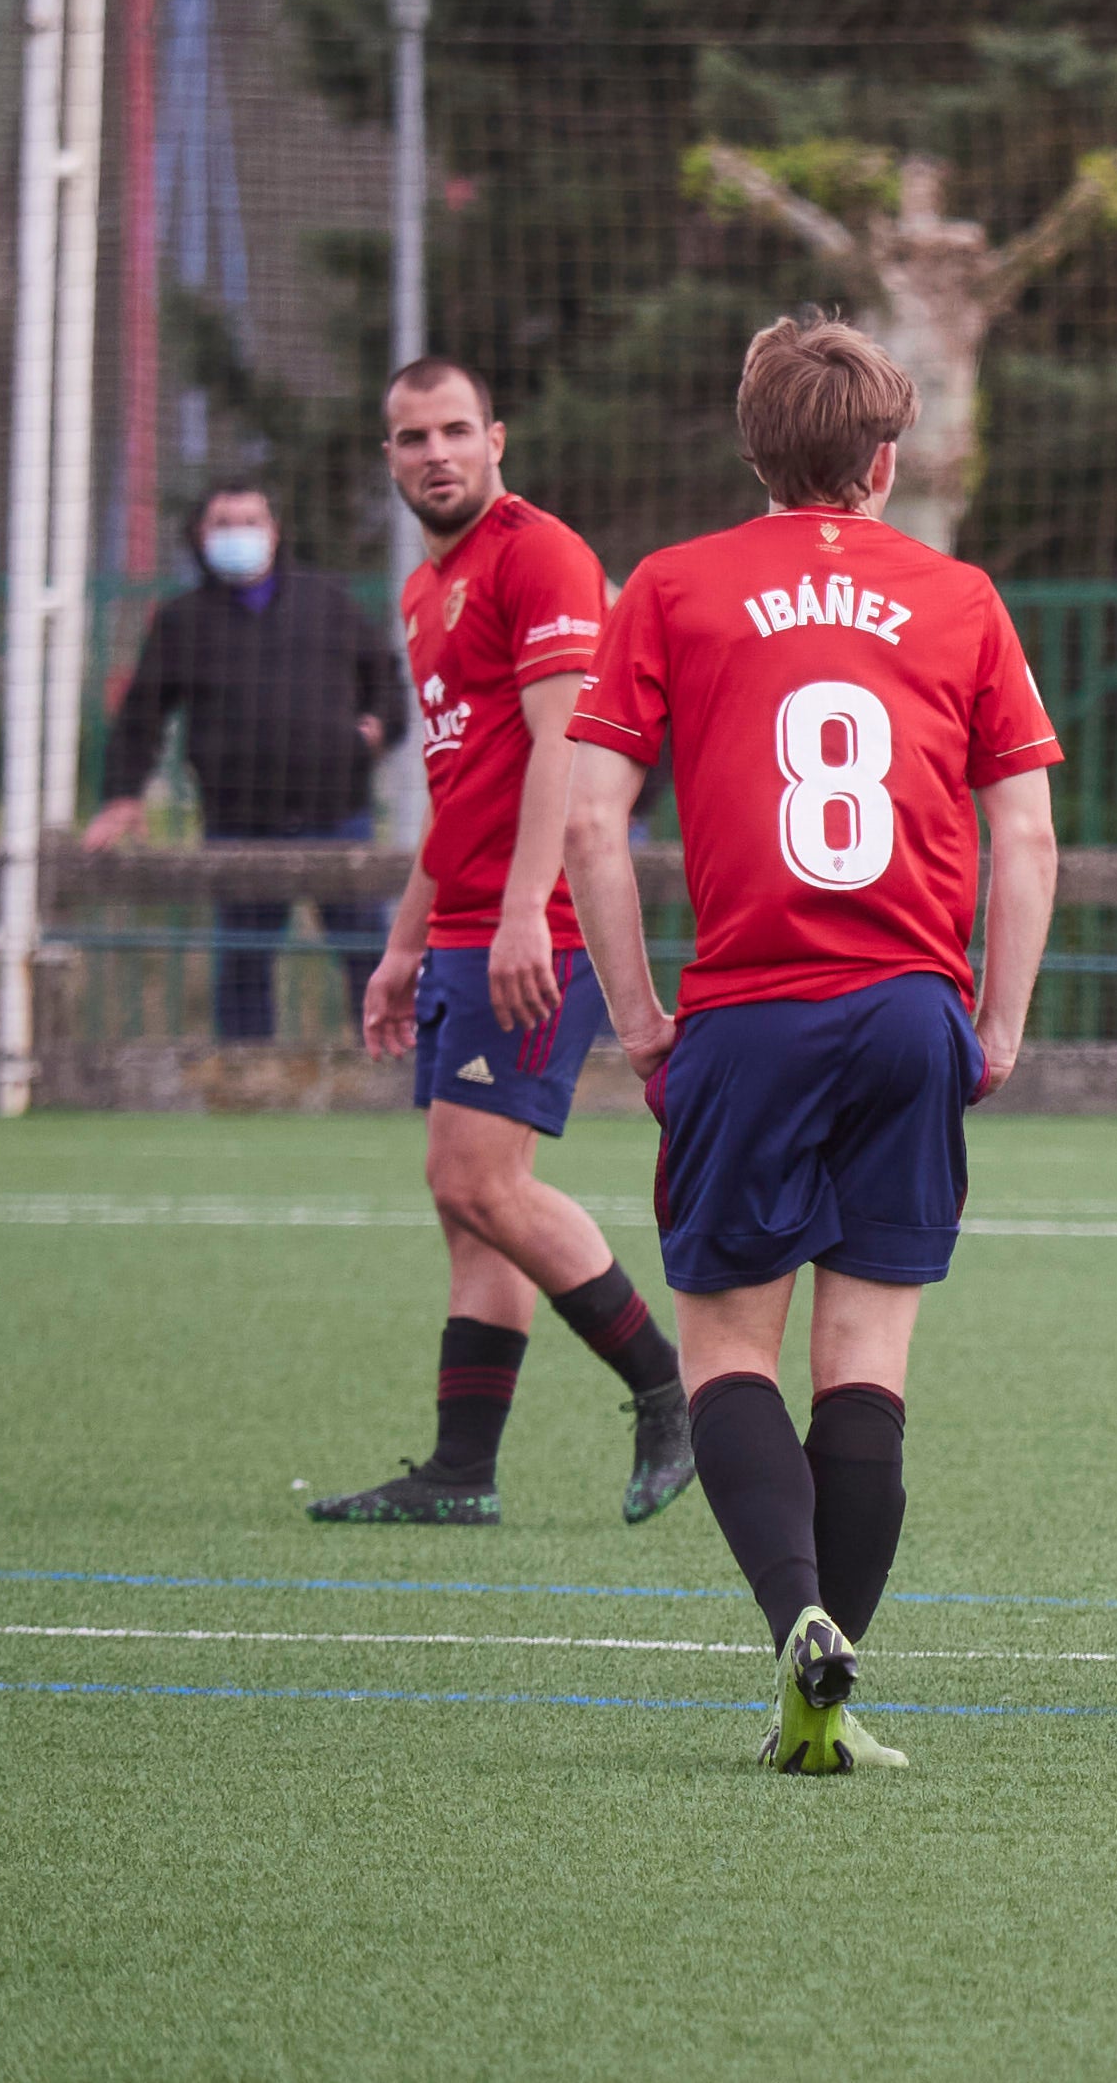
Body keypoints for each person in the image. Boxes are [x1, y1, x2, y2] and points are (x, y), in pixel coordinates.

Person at [563, 313, 1061, 1776]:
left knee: (726, 1347)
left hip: (746, 1011)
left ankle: (796, 1624)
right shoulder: (959, 596)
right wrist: (1003, 1016)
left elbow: (594, 821)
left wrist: (642, 1014)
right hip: (912, 1005)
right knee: (869, 1362)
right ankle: (833, 1670)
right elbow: (1024, 832)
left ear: (752, 446)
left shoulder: (669, 585)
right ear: (887, 460)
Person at [312, 358, 694, 1530]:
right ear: (388, 456)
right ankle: (460, 1470)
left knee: (474, 1177)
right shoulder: (428, 590)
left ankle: (671, 1391)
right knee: (469, 1202)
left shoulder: (537, 555)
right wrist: (399, 946)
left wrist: (530, 908)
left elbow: (562, 757)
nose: (434, 451)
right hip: (469, 924)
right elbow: (458, 787)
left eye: (455, 430)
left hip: (536, 925)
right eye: (410, 435)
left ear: (497, 439)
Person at [84, 482, 407, 1040]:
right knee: (243, 964)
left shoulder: (326, 601)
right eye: (224, 524)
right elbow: (142, 713)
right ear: (200, 536)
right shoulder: (183, 621)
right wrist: (122, 795)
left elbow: (386, 679)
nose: (239, 534)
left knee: (366, 957)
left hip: (337, 816)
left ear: (274, 531)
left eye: (251, 521)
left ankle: (388, 1068)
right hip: (238, 824)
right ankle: (243, 1080)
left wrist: (376, 730)